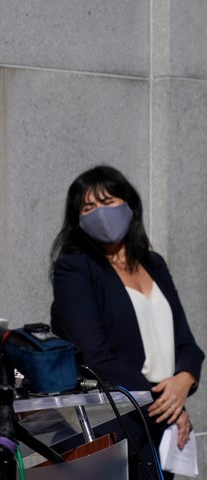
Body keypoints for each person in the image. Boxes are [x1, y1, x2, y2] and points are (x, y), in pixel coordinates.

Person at [49, 165, 204, 480]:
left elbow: (186, 343)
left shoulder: (153, 263)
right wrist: (166, 403)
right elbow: (96, 357)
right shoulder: (74, 269)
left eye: (107, 202)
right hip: (115, 426)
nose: (99, 214)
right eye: (88, 207)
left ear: (129, 204)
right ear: (77, 219)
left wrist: (184, 379)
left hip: (160, 422)